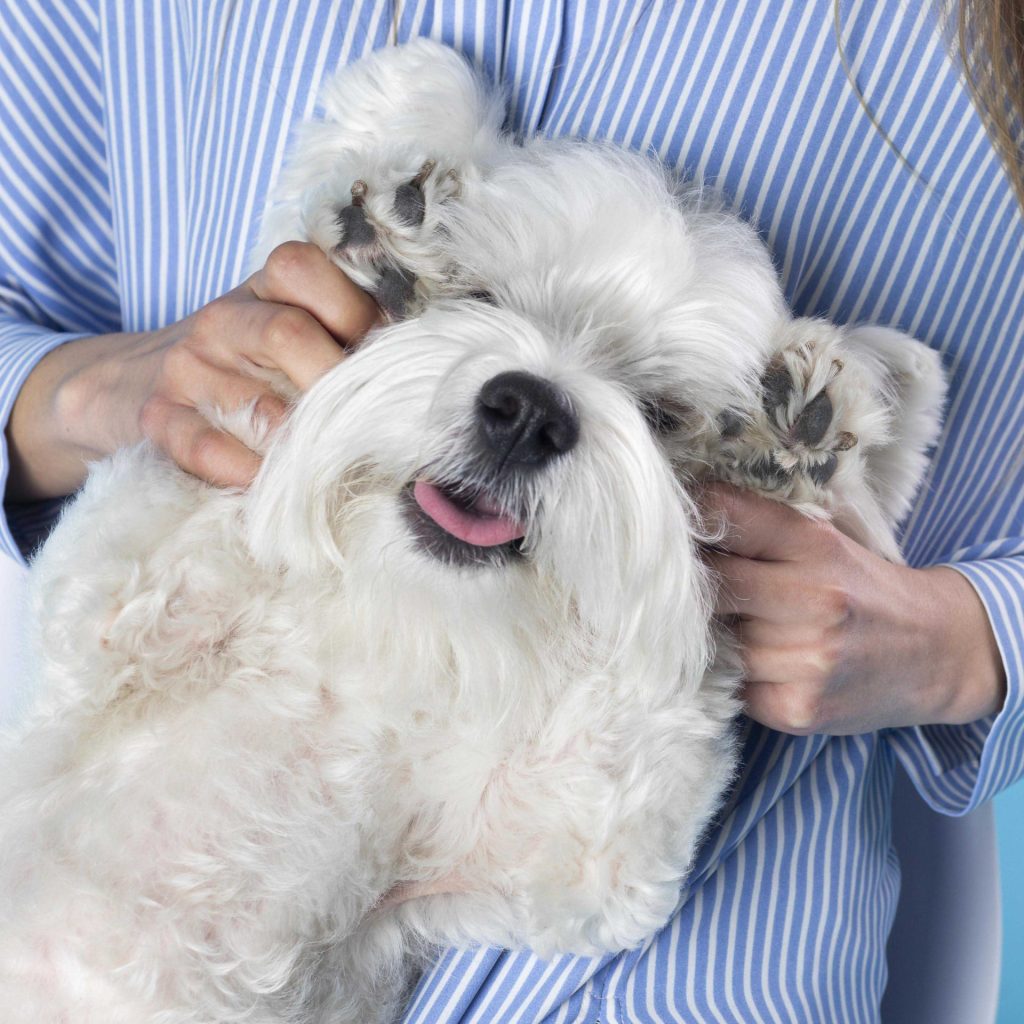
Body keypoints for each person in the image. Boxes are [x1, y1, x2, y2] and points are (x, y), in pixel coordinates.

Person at [1, 2, 1021, 1020]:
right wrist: (93, 393)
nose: (530, 408)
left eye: (661, 413)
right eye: (470, 301)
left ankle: (775, 458)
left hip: (676, 962)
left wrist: (970, 643)